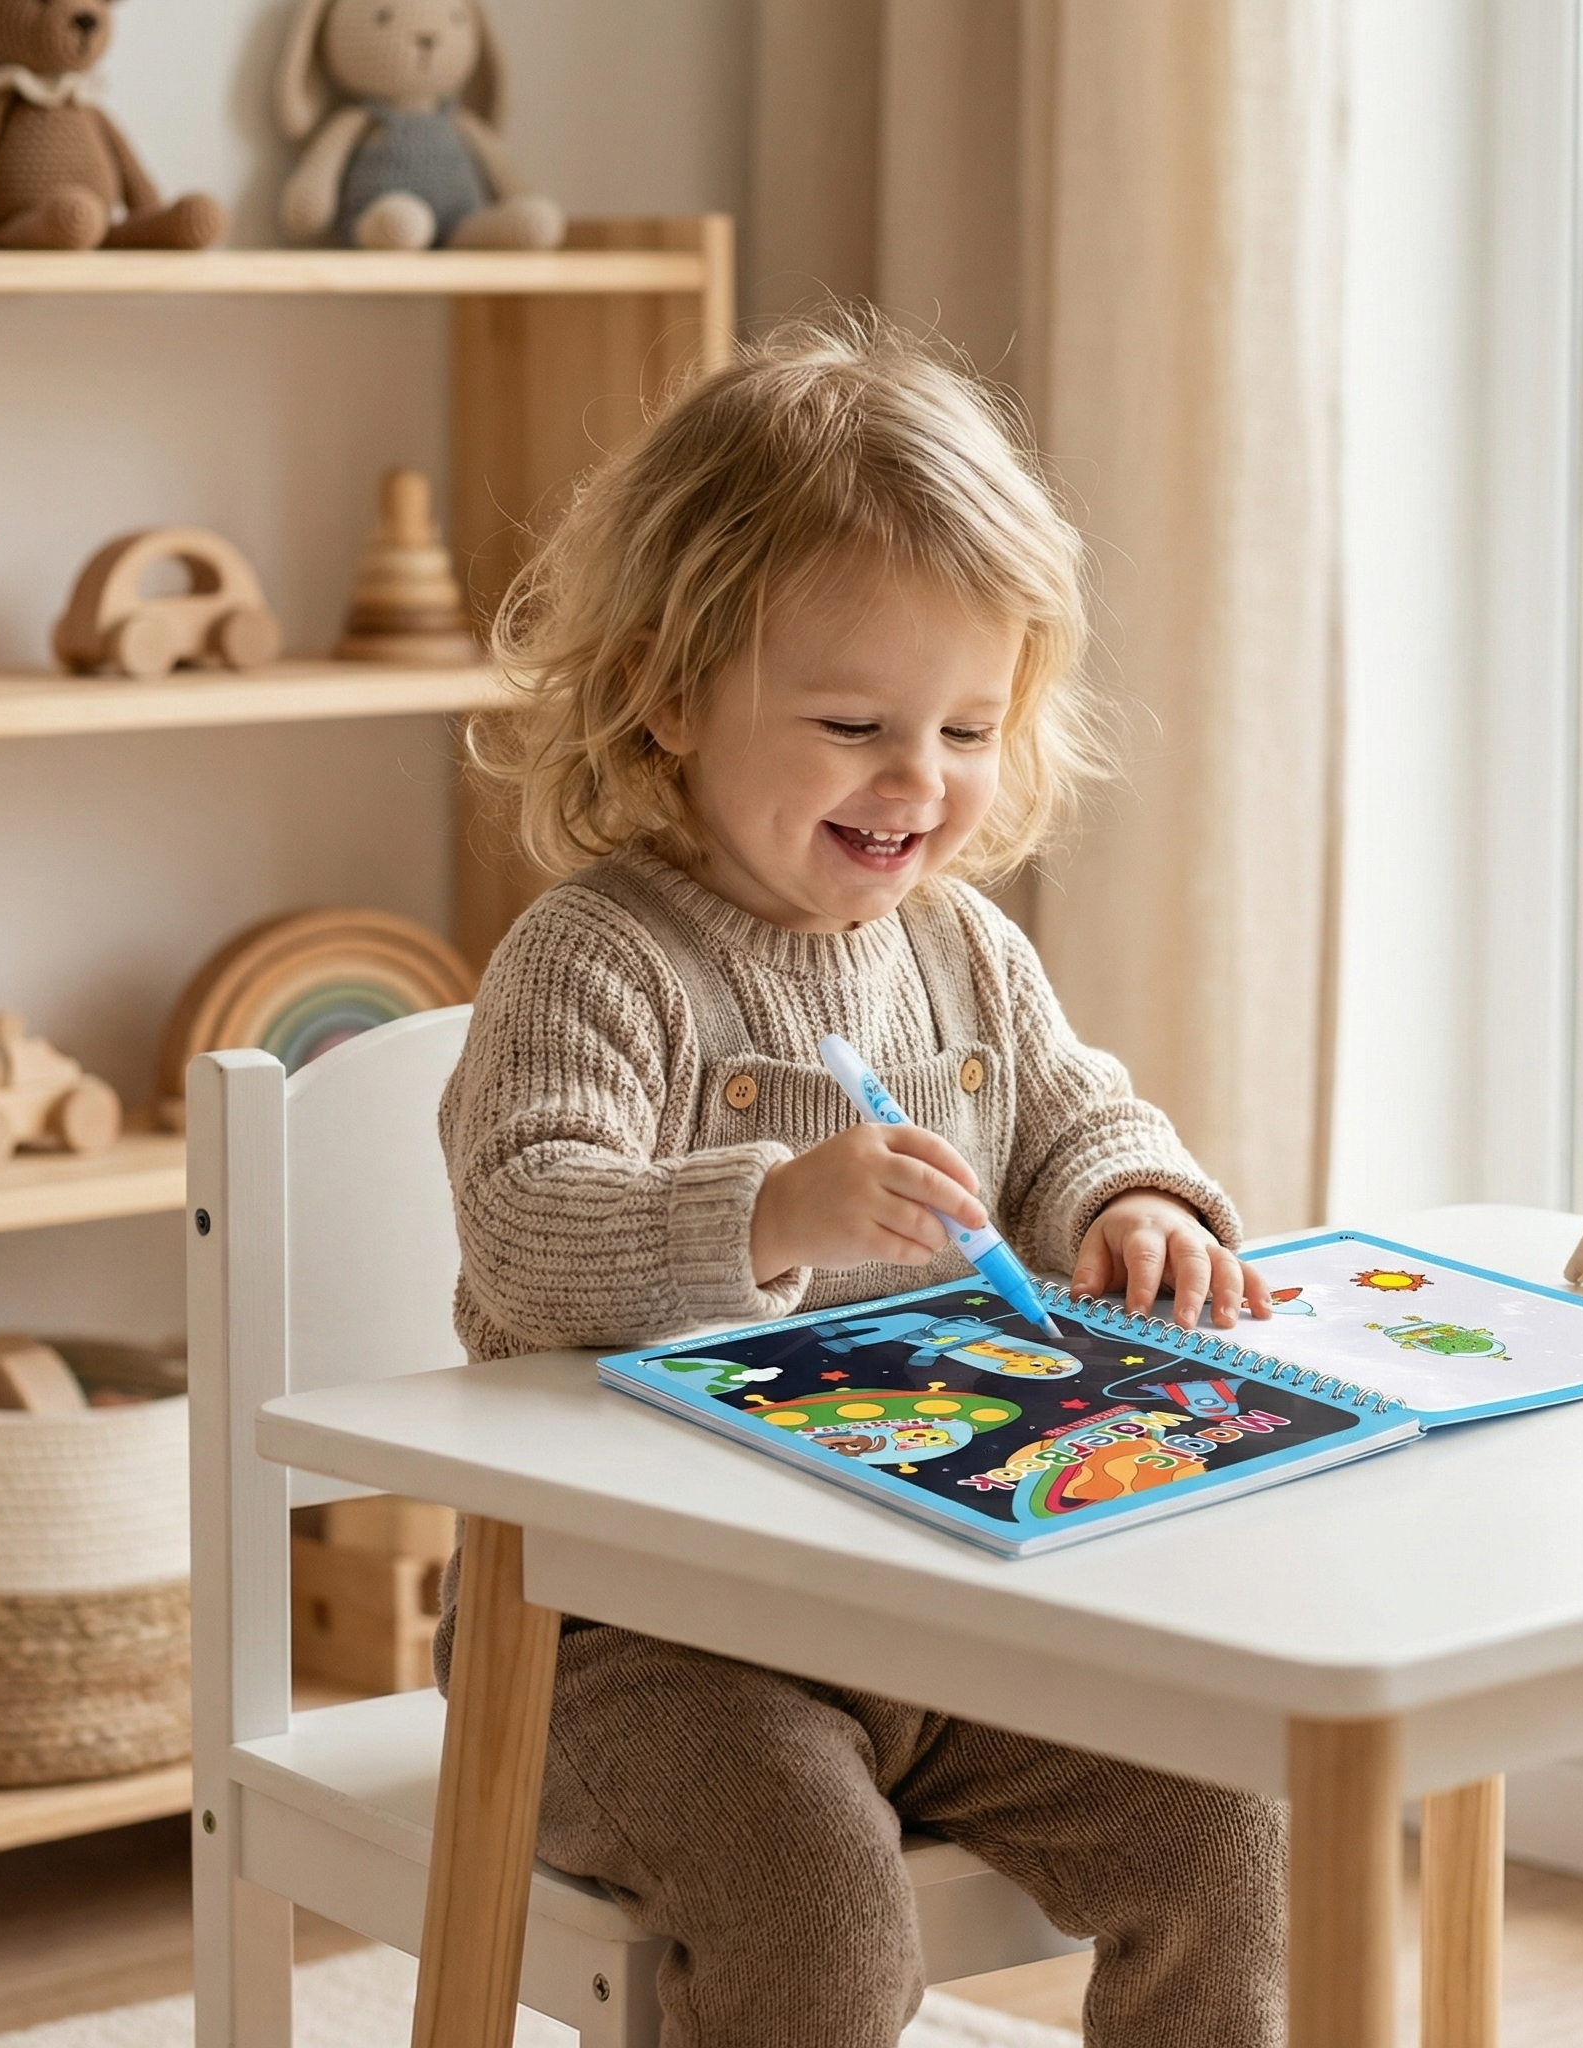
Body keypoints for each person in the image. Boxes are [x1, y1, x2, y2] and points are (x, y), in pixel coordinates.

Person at [435, 312, 1283, 2047]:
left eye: (970, 729)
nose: (920, 782)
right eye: (854, 723)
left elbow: (1068, 1117)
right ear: (672, 688)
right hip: (632, 1641)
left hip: (935, 1603)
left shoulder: (962, 948)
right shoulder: (592, 958)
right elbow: (525, 1226)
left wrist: (1139, 1206)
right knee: (824, 1934)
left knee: (1226, 1826)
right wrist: (766, 1213)